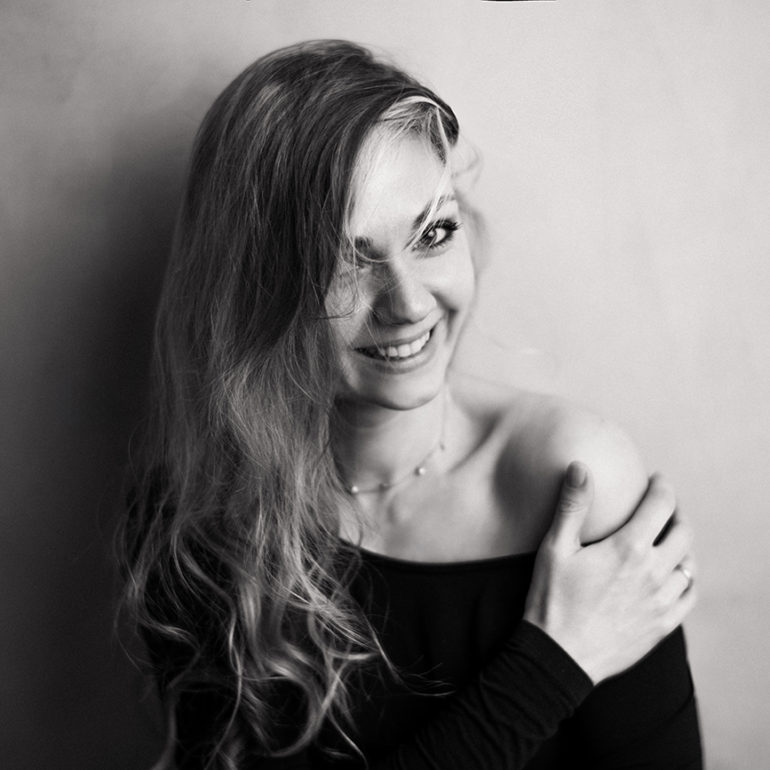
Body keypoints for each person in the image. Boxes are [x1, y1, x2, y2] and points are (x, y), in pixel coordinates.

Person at [120, 40, 702, 769]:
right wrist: (554, 664)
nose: (409, 304)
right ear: (254, 290)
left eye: (433, 233)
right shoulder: (191, 517)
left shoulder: (575, 486)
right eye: (344, 259)